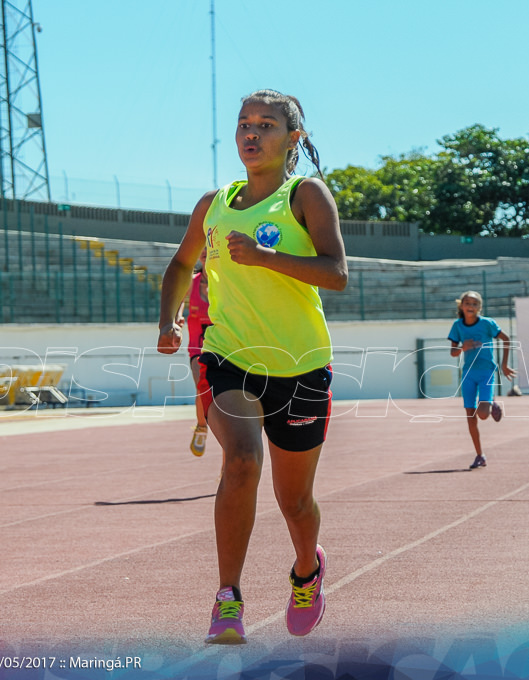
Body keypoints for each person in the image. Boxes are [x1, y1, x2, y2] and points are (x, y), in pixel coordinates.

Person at [157, 89, 347, 644]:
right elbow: (179, 262)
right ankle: (227, 598)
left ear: (294, 138)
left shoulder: (305, 194)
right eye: (244, 124)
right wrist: (167, 322)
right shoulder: (213, 205)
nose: (251, 133)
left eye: (266, 125)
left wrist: (265, 258)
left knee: (295, 503)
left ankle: (307, 570)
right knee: (241, 461)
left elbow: (336, 273)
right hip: (228, 358)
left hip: (302, 367)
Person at [448, 291, 516, 470]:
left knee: (483, 415)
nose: (471, 306)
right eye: (468, 303)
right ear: (461, 306)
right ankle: (480, 455)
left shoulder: (487, 324)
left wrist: (504, 365)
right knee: (471, 419)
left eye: (475, 304)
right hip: (468, 375)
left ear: (480, 307)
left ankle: (492, 403)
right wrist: (464, 347)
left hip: (486, 372)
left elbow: (506, 339)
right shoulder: (457, 326)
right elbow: (453, 352)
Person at [176, 249, 212, 457]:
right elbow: (179, 298)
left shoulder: (224, 281)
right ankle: (201, 427)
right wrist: (178, 317)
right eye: (202, 249)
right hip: (198, 345)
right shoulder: (192, 281)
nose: (205, 252)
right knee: (202, 386)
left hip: (224, 344)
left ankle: (227, 466)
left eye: (209, 247)